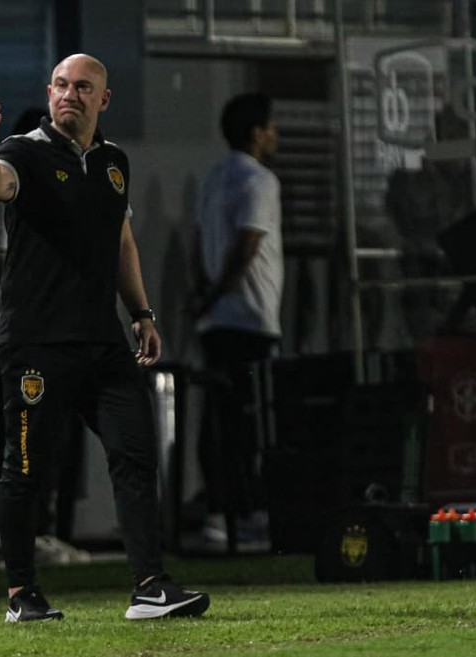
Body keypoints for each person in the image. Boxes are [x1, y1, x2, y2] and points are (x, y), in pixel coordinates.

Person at [0, 53, 210, 622]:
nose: (68, 95)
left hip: (102, 342)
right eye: (59, 85)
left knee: (135, 453)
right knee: (26, 468)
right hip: (36, 342)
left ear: (103, 99)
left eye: (82, 87)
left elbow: (121, 240)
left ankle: (150, 587)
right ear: (48, 93)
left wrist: (142, 312)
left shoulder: (113, 161)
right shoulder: (21, 151)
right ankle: (21, 595)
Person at [190, 92, 283, 552]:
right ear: (256, 133)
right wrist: (216, 292)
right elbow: (247, 245)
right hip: (249, 317)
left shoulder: (212, 179)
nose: (275, 135)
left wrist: (201, 299)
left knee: (218, 421)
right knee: (251, 423)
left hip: (217, 323)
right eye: (271, 127)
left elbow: (199, 242)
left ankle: (216, 513)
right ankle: (248, 515)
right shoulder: (260, 180)